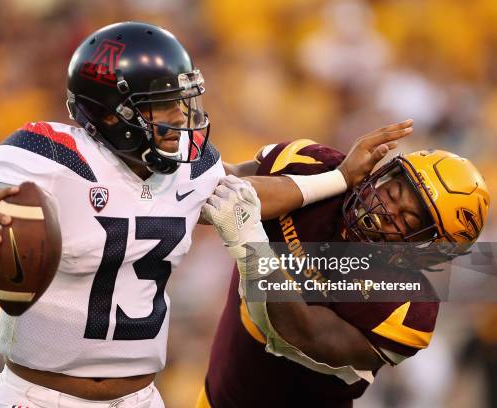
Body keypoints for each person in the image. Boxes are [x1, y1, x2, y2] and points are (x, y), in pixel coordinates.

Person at [0, 21, 413, 407]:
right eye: (164, 104)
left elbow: (248, 193)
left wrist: (339, 179)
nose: (182, 118)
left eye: (183, 102)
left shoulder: (185, 172)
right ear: (111, 112)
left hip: (140, 399)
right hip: (35, 397)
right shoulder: (49, 163)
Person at [199, 141, 490, 407]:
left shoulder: (407, 307)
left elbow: (300, 333)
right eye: (391, 192)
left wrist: (250, 244)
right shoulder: (319, 170)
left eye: (407, 219)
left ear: (427, 249)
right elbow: (219, 186)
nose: (386, 210)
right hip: (213, 397)